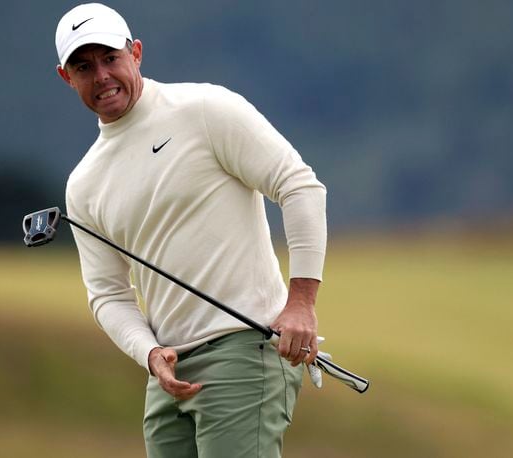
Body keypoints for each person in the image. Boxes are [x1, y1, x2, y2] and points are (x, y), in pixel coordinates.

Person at [55, 4, 327, 457]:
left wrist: (301, 302)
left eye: (110, 58)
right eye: (84, 66)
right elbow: (108, 294)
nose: (101, 75)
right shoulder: (84, 184)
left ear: (136, 53)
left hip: (244, 350)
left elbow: (300, 187)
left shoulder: (204, 109)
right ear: (67, 77)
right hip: (168, 374)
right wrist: (148, 352)